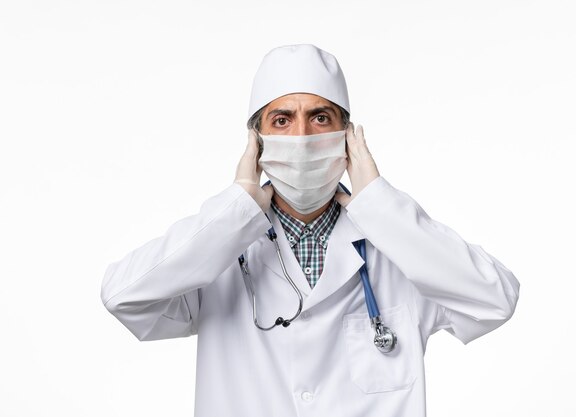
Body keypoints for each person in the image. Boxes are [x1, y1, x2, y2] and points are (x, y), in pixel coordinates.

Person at [101, 44, 520, 417]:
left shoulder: (400, 251)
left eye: (320, 117)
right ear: (257, 142)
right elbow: (124, 297)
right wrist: (235, 210)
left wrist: (380, 204)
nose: (301, 136)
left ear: (348, 138)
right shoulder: (219, 254)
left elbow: (495, 300)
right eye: (281, 120)